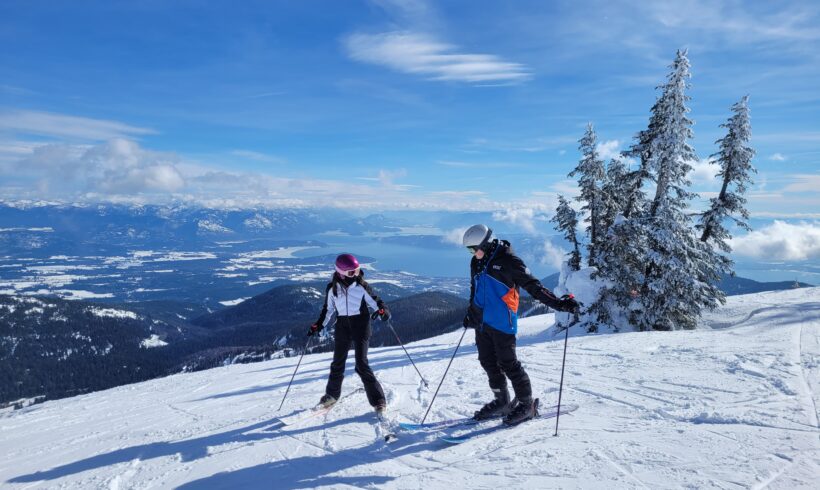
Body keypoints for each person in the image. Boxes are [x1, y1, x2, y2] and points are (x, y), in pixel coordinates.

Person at [462, 224, 580, 426]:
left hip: (502, 323)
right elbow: (475, 289)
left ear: (487, 244)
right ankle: (503, 402)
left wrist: (559, 304)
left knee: (509, 364)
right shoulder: (476, 262)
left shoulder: (509, 262)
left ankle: (527, 405)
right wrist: (471, 313)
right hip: (483, 323)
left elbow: (534, 286)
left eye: (474, 248)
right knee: (488, 362)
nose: (473, 253)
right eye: (469, 250)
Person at [308, 253, 391, 413]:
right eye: (352, 272)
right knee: (337, 363)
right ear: (341, 272)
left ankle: (378, 400)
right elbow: (328, 310)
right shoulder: (332, 289)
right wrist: (318, 325)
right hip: (343, 327)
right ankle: (331, 396)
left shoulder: (361, 286)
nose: (356, 274)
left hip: (361, 325)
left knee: (361, 364)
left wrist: (383, 311)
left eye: (358, 270)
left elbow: (376, 302)